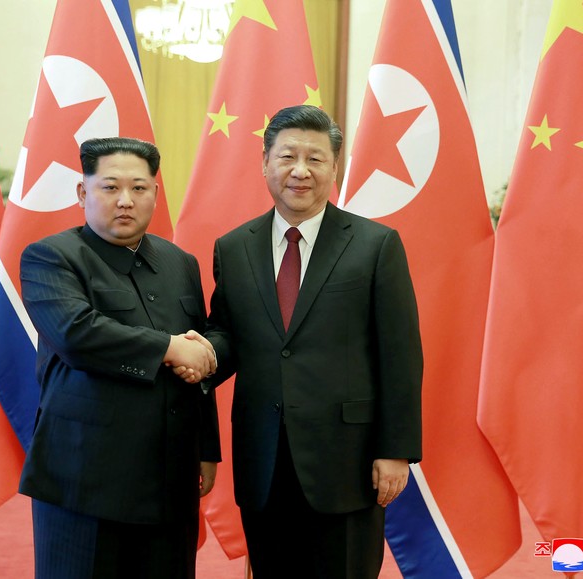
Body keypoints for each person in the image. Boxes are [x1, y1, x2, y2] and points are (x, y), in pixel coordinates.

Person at [197, 105, 423, 578]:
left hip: (348, 459)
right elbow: (229, 334)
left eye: (315, 159)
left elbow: (399, 354)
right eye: (287, 157)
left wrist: (396, 449)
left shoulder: (375, 244)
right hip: (263, 455)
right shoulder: (234, 247)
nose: (300, 170)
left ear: (334, 167)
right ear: (265, 163)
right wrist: (193, 354)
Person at [18, 137, 220, 579]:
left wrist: (206, 447)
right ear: (82, 193)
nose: (125, 201)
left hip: (168, 478)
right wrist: (168, 349)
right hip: (83, 480)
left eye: (139, 188)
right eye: (110, 188)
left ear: (155, 193)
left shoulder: (180, 262)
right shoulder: (51, 257)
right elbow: (76, 334)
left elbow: (197, 353)